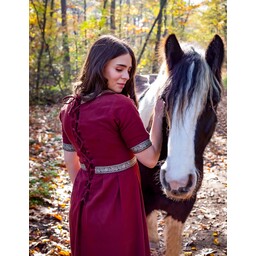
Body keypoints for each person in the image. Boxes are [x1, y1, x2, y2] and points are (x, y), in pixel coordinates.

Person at [59, 34, 165, 256]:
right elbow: (151, 158)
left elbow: (72, 165)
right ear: (101, 66)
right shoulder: (121, 106)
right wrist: (157, 117)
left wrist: (90, 188)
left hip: (82, 199)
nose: (126, 76)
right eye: (120, 69)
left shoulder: (68, 109)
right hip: (120, 200)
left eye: (129, 70)